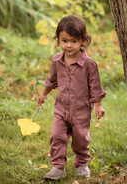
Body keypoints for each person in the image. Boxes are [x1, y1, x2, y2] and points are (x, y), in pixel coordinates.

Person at [37, 16, 106, 180]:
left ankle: (82, 163)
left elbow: (95, 87)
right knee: (56, 136)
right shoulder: (56, 60)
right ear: (58, 40)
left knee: (80, 139)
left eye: (74, 41)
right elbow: (52, 80)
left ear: (83, 41)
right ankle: (58, 167)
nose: (68, 45)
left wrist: (98, 106)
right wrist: (44, 94)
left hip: (81, 110)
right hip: (61, 108)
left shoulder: (89, 65)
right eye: (64, 40)